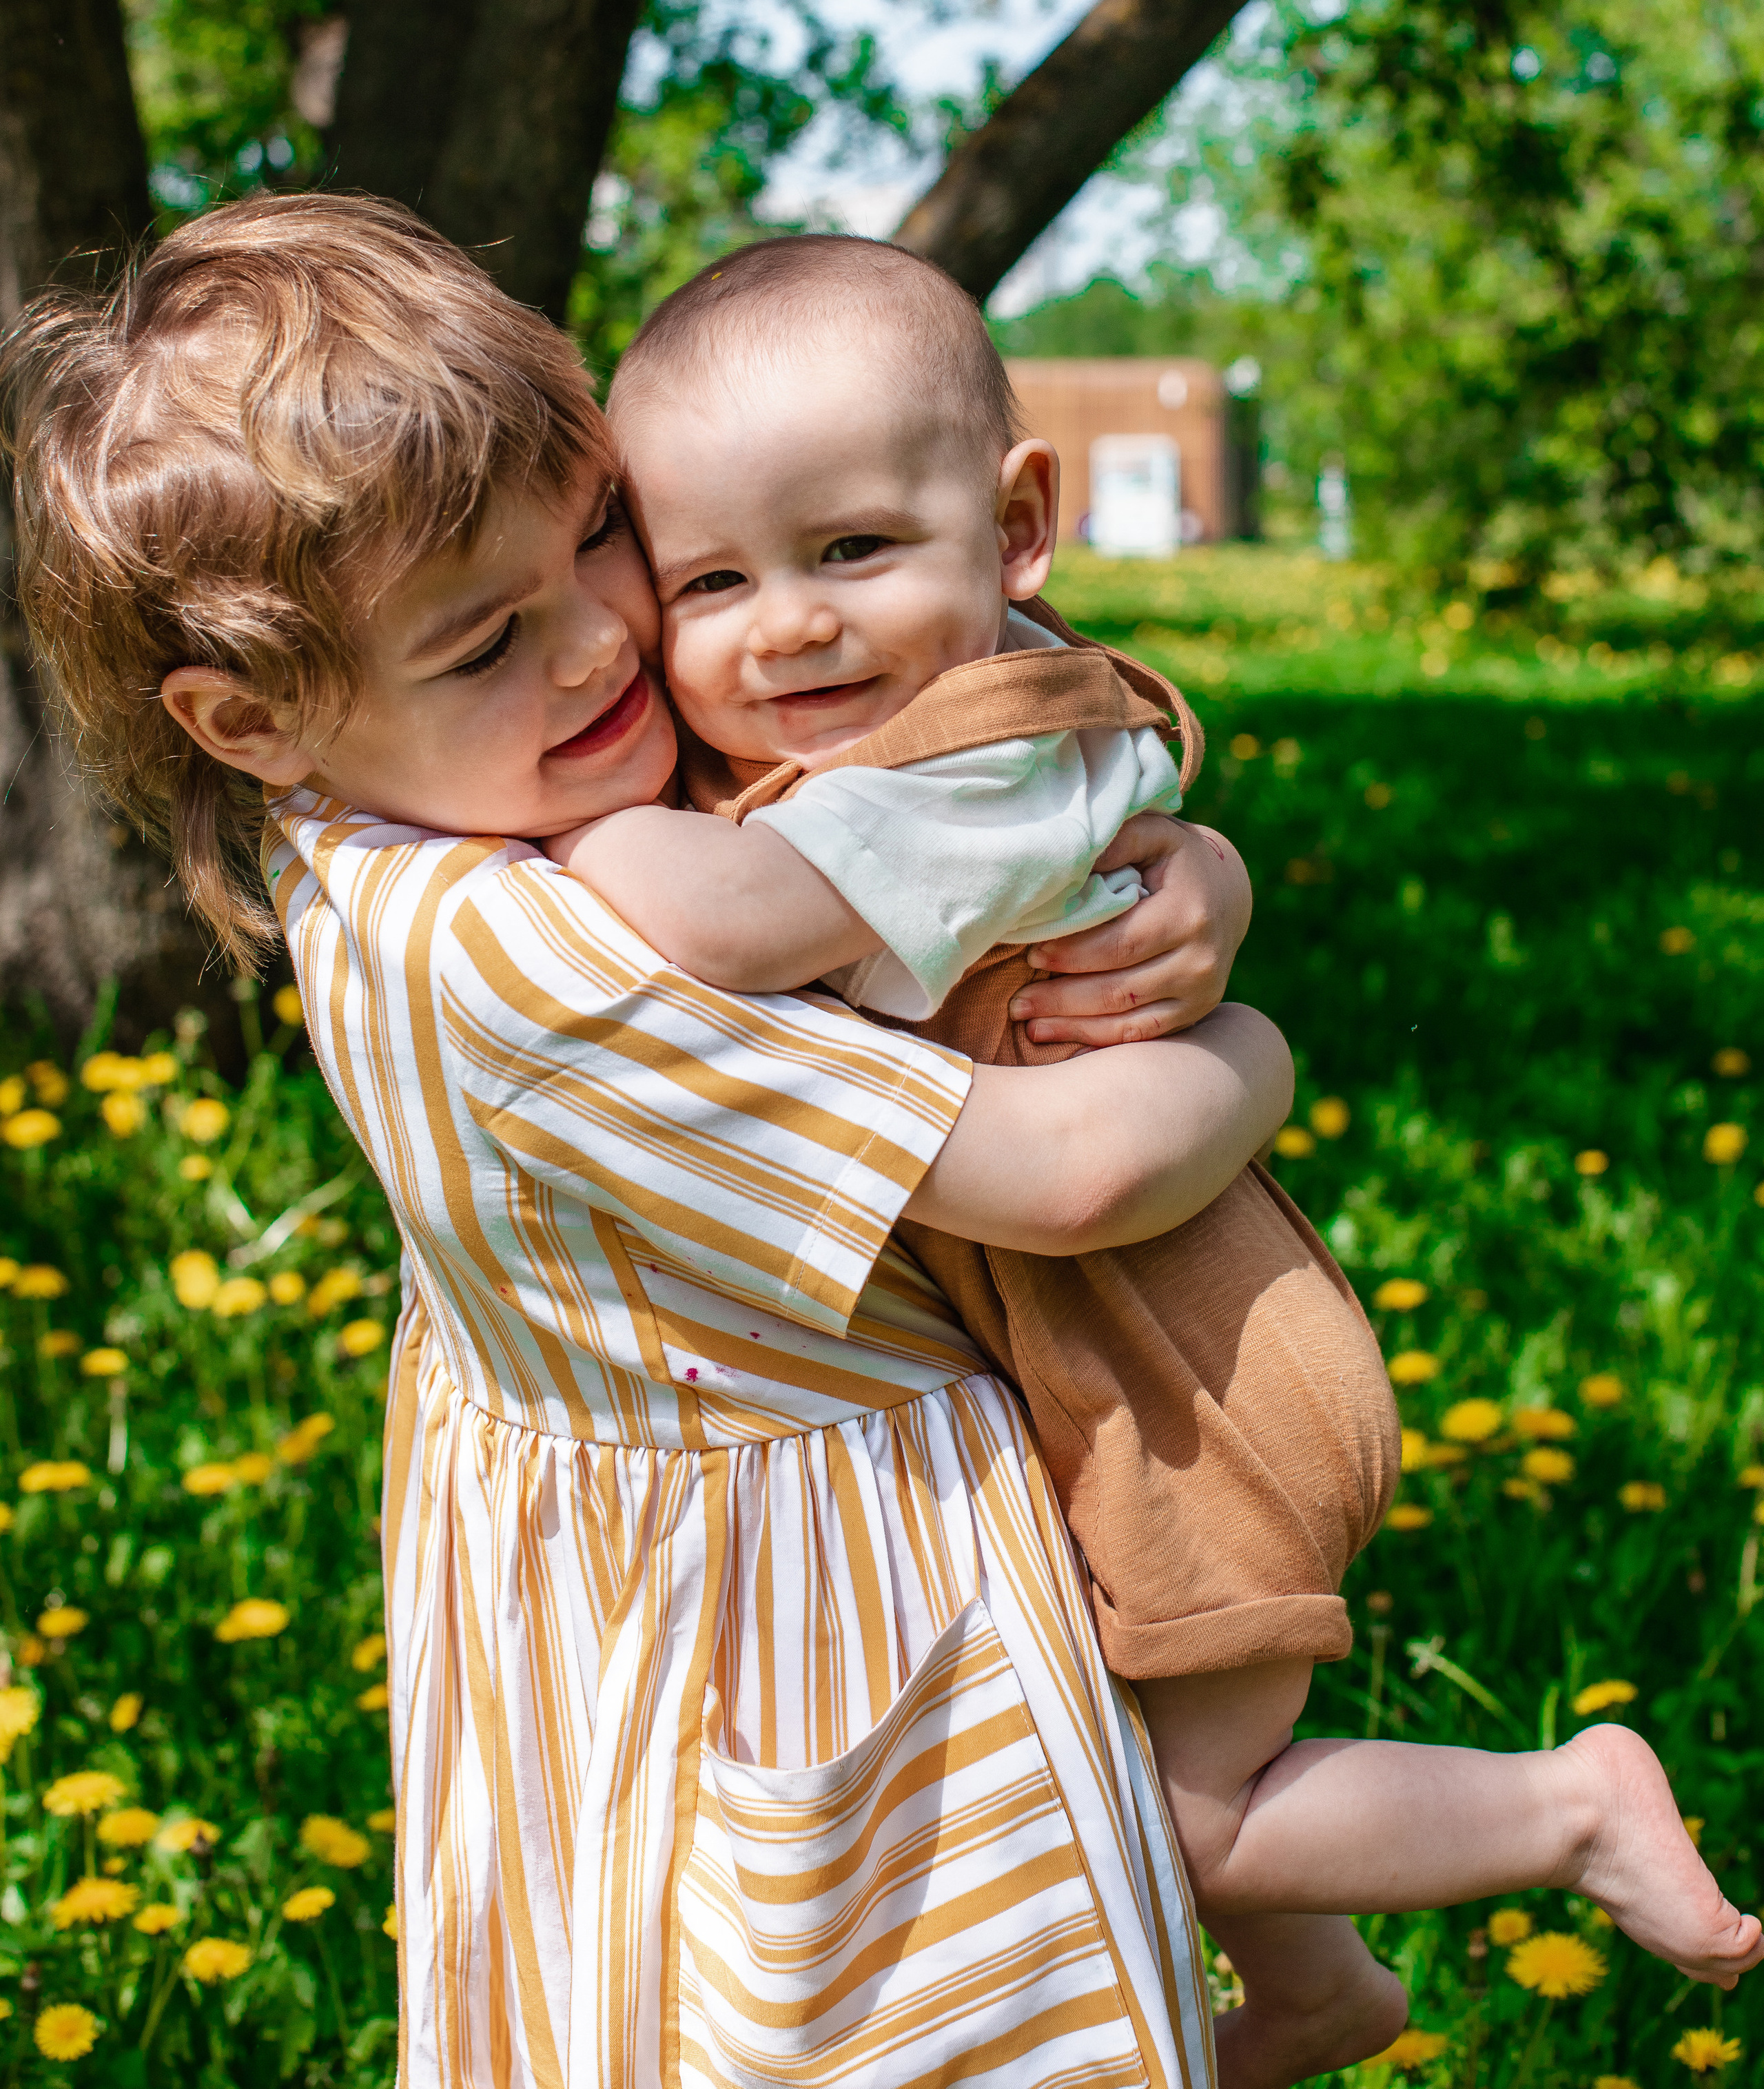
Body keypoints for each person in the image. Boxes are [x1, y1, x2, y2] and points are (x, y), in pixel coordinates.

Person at [2, 192, 1300, 2089]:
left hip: (622, 1578)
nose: (608, 640)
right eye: (485, 638)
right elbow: (1076, 1169)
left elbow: (972, 792)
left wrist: (1190, 874)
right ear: (251, 717)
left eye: (599, 536)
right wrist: (1253, 1049)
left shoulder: (439, 792)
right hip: (826, 1576)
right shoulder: (525, 958)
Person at [545, 232, 1764, 2089]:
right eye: (712, 578)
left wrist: (528, 863)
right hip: (1112, 1351)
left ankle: (1570, 1808)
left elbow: (712, 912)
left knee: (1203, 1812)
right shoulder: (941, 708)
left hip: (1187, 1381)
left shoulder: (963, 772)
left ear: (1017, 527)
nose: (786, 624)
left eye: (852, 551)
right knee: (1158, 1759)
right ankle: (1321, 1998)